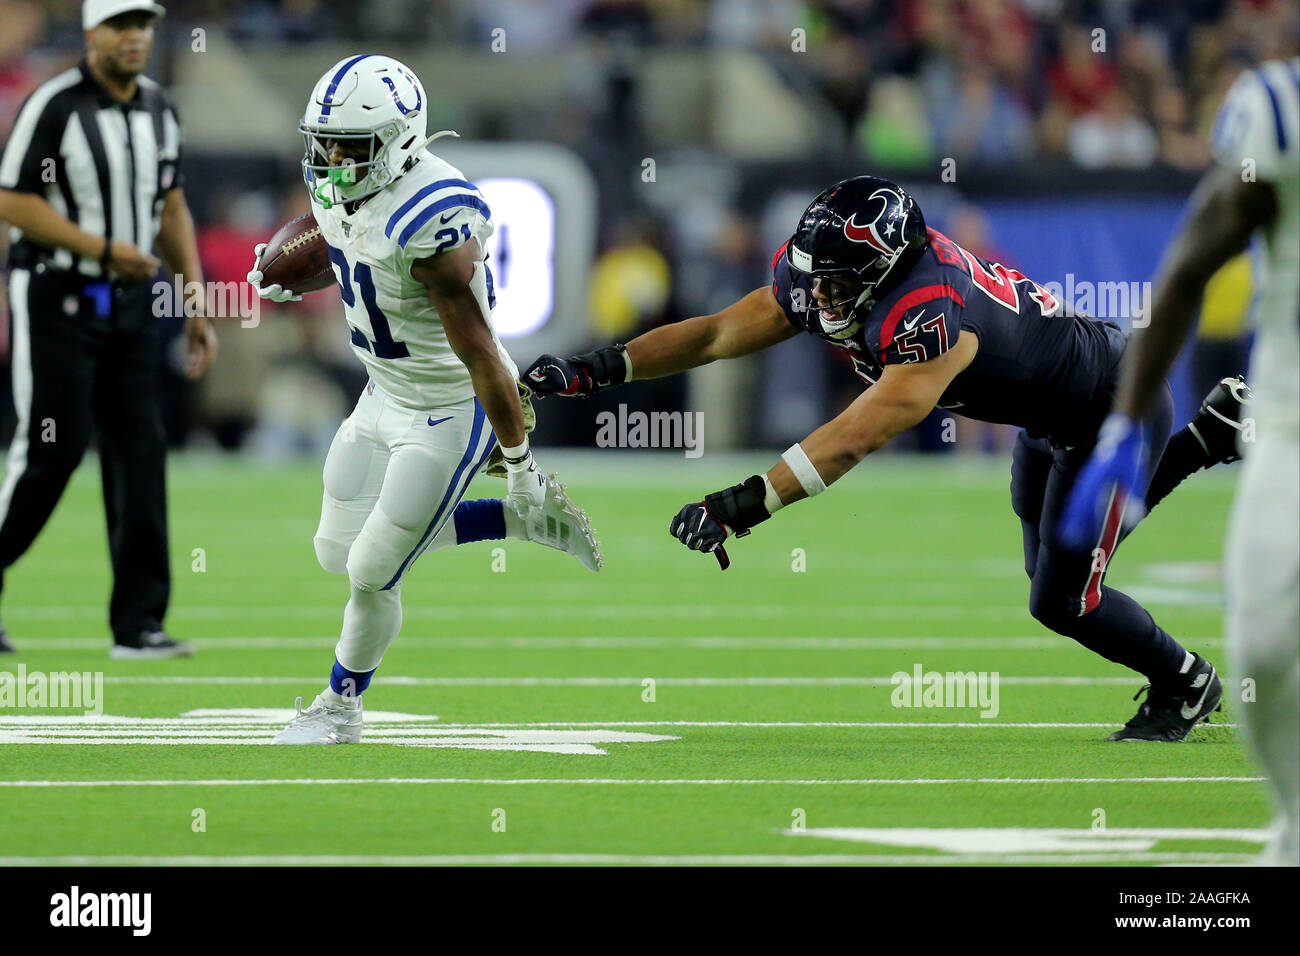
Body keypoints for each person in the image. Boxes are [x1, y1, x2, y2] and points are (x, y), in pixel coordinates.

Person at [525, 175, 1245, 742]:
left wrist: (741, 503)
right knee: (1051, 570)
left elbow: (855, 437)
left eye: (836, 282)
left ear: (883, 270)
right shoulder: (837, 277)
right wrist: (597, 368)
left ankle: (1187, 682)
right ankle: (1206, 442)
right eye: (816, 276)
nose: (817, 294)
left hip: (1114, 408)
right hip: (1047, 417)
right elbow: (716, 334)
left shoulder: (928, 313)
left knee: (1066, 601)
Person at [247, 55, 601, 745]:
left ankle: (340, 706)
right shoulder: (348, 189)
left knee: (372, 571)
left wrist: (522, 465)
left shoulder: (435, 224)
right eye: (325, 143)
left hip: (448, 409)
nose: (333, 161)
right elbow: (349, 248)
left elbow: (484, 356)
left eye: (351, 146)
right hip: (381, 393)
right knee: (334, 549)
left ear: (402, 139)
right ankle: (511, 524)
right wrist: (294, 273)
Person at [1061, 57, 1298, 864]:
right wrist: (1128, 425)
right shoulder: (1279, 108)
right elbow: (1192, 262)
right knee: (1267, 643)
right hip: (1291, 419)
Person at [0, 0, 217, 657]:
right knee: (51, 450)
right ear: (92, 32)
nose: (135, 37)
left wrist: (195, 298)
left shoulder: (160, 108)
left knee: (141, 452)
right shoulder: (55, 104)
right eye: (121, 25)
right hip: (58, 292)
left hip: (129, 301)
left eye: (144, 25)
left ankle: (139, 622)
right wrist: (99, 249)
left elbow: (171, 206)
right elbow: (11, 198)